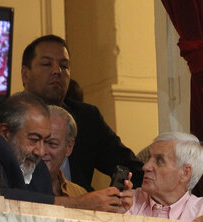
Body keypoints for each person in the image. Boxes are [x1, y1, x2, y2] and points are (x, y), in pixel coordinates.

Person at [0, 92, 132, 212]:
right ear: (5, 132)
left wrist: (111, 209)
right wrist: (79, 204)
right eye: (34, 139)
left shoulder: (37, 170)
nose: (40, 151)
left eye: (46, 141)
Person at [21, 35, 143, 191]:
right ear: (25, 74)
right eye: (46, 64)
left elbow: (127, 165)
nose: (57, 71)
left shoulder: (87, 118)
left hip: (80, 210)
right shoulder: (1, 115)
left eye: (64, 66)